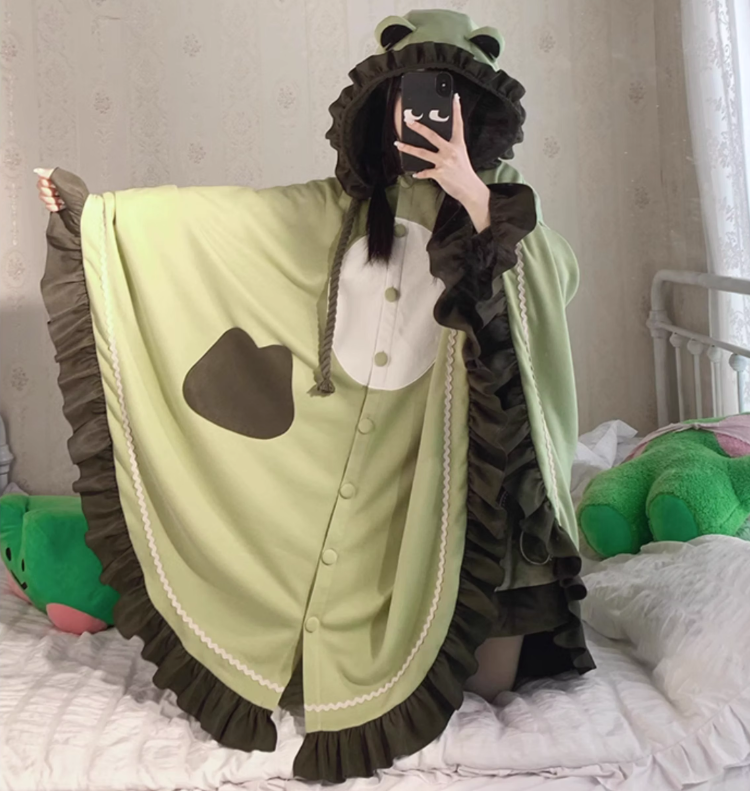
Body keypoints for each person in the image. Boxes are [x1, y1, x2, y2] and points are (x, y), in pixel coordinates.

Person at [35, 9, 593, 783]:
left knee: (491, 684)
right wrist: (95, 217)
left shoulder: (504, 210)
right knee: (331, 618)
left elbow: (547, 285)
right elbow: (222, 223)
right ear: (383, 107)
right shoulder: (342, 210)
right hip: (364, 477)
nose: (425, 115)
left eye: (445, 97)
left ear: (477, 111)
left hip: (463, 480)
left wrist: (471, 195)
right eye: (409, 97)